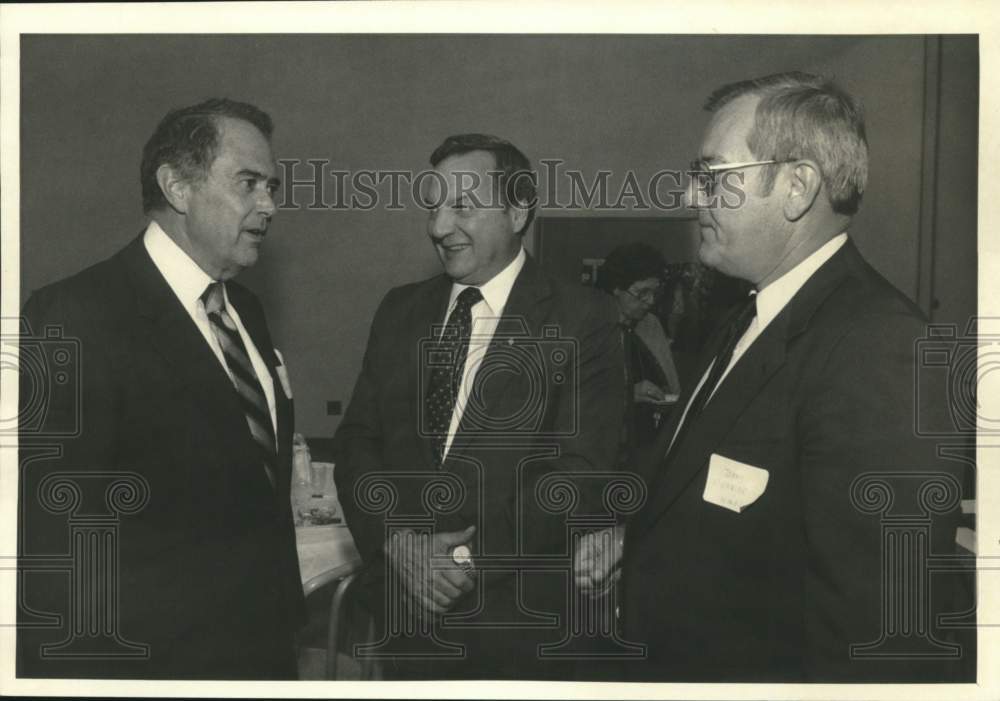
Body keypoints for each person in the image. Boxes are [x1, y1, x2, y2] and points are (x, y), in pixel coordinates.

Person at [574, 72, 970, 681]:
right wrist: (638, 534)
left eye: (712, 177)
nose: (688, 197)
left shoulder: (882, 346)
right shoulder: (747, 313)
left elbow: (876, 643)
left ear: (796, 187)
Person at [17, 99, 304, 679]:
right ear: (177, 187)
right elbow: (58, 541)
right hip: (154, 661)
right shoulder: (74, 314)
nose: (270, 206)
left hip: (262, 648)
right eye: (249, 183)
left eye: (271, 186)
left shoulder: (244, 308)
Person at [333, 133, 624, 680]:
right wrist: (398, 544)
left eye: (462, 206)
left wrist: (458, 565)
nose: (439, 227)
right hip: (405, 619)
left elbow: (579, 472)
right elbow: (356, 442)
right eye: (434, 206)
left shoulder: (584, 317)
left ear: (517, 212)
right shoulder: (400, 311)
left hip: (518, 627)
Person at [596, 243, 682, 454]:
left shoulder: (650, 324)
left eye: (655, 292)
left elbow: (673, 388)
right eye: (642, 293)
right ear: (616, 288)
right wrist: (627, 395)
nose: (650, 301)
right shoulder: (588, 327)